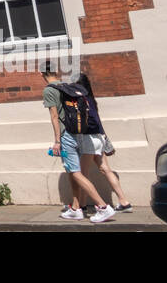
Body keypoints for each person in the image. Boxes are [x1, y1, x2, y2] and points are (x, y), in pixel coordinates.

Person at [41, 64, 115, 223]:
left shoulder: (49, 90)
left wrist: (56, 141)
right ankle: (76, 209)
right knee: (73, 171)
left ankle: (103, 207)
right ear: (56, 71)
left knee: (75, 172)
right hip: (80, 134)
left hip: (66, 136)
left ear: (42, 74)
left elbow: (54, 117)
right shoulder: (67, 86)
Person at [75, 71, 132, 212]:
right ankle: (124, 202)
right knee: (105, 169)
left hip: (88, 138)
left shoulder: (80, 100)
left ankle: (81, 206)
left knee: (82, 174)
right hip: (100, 137)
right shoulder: (91, 98)